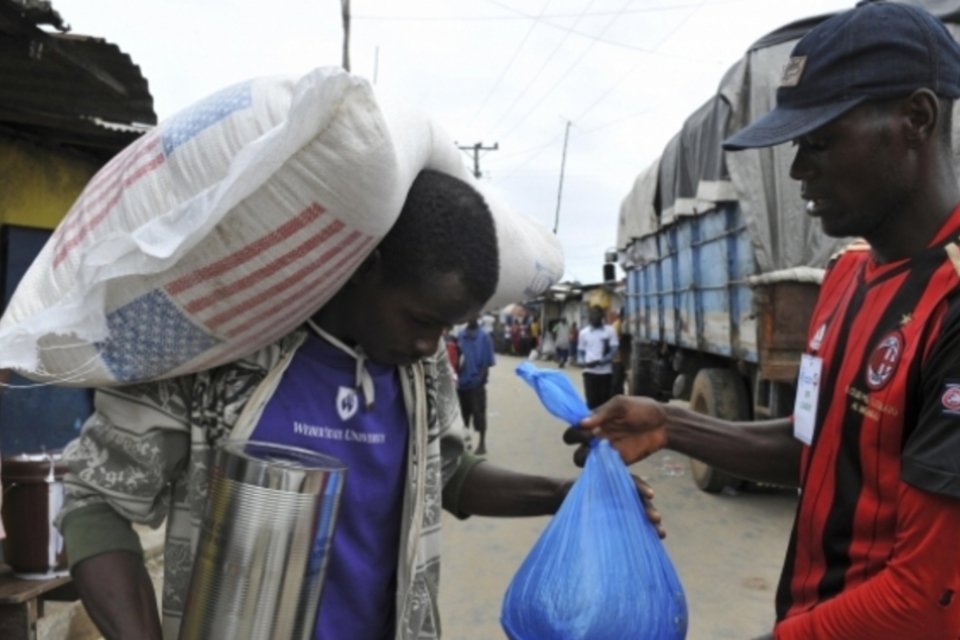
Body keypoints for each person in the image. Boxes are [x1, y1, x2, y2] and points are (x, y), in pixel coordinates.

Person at [57, 169, 661, 640]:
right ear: (365, 270)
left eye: (447, 330)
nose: (431, 346)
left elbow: (445, 476)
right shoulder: (218, 351)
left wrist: (567, 496)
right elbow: (95, 504)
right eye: (422, 320)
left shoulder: (418, 373)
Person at [571, 4, 960, 638]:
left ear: (915, 118)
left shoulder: (952, 307)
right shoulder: (844, 278)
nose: (799, 168)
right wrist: (672, 423)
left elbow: (927, 598)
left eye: (822, 139)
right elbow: (820, 449)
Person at [456, 317, 496, 455]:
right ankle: (464, 444)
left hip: (476, 384)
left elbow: (487, 362)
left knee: (479, 414)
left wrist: (481, 380)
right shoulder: (461, 336)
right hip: (461, 383)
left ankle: (482, 443)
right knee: (462, 416)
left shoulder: (484, 337)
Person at [577, 305, 618, 409]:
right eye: (592, 314)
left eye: (597, 314)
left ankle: (604, 424)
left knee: (605, 402)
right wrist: (582, 362)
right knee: (591, 401)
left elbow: (614, 350)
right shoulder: (583, 333)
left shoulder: (610, 331)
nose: (594, 317)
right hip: (589, 372)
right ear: (589, 317)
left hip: (605, 373)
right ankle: (593, 423)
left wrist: (601, 362)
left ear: (602, 316)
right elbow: (580, 351)